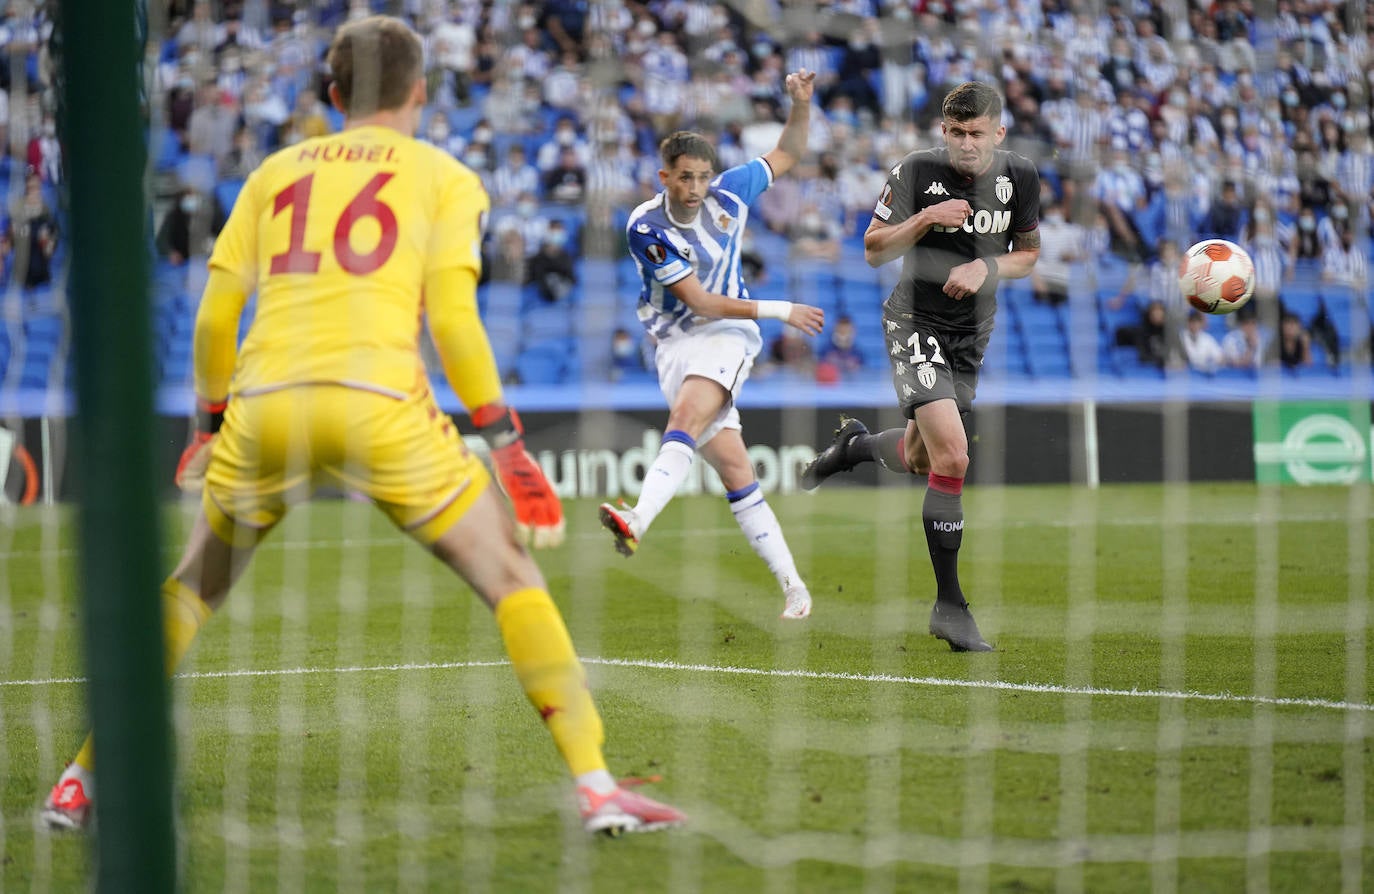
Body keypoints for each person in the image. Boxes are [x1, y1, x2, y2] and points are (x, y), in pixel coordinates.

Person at [41, 15, 683, 837]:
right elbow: (453, 320)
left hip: (266, 404)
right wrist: (504, 441)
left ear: (334, 93)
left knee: (191, 590)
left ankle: (79, 782)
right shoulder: (444, 176)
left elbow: (214, 317)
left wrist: (209, 422)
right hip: (380, 408)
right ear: (422, 90)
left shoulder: (275, 172)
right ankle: (597, 789)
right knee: (513, 580)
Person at [798, 82, 1041, 652]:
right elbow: (874, 249)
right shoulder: (915, 171)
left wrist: (989, 269)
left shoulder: (1021, 177)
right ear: (943, 131)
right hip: (914, 323)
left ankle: (853, 447)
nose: (964, 144)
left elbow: (1028, 254)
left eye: (975, 133)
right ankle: (950, 607)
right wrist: (927, 217)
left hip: (971, 335)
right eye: (954, 132)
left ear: (998, 134)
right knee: (954, 455)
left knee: (917, 456)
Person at [597, 69, 826, 621]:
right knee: (735, 470)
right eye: (685, 178)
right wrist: (783, 308)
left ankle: (637, 520)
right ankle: (795, 586)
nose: (696, 188)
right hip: (677, 341)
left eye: (703, 177)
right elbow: (697, 301)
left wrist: (800, 105)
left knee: (687, 413)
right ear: (664, 177)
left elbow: (789, 152)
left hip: (730, 335)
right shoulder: (646, 227)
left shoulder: (732, 194)